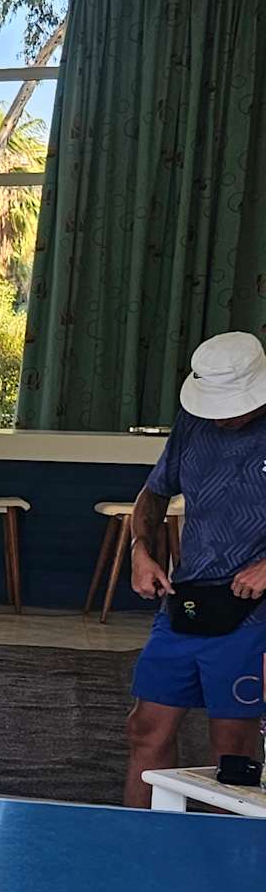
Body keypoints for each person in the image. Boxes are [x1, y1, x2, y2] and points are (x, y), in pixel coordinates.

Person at [124, 330, 266, 805]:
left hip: (255, 612)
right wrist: (140, 550)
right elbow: (154, 492)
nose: (221, 416)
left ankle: (225, 849)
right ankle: (140, 839)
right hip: (187, 599)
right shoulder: (194, 423)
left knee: (232, 744)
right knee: (146, 727)